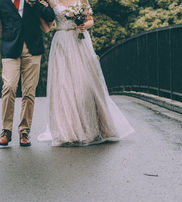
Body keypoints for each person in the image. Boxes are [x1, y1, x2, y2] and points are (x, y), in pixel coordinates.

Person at [37, 0, 134, 146]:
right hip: (62, 43)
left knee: (85, 84)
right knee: (64, 86)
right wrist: (37, 11)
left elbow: (90, 20)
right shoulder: (51, 1)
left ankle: (91, 128)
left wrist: (84, 26)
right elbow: (47, 28)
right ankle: (67, 131)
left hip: (80, 42)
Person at [0, 0, 56, 147]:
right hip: (10, 49)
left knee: (29, 91)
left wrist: (35, 3)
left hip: (33, 48)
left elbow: (50, 16)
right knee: (9, 87)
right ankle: (6, 131)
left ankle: (24, 132)